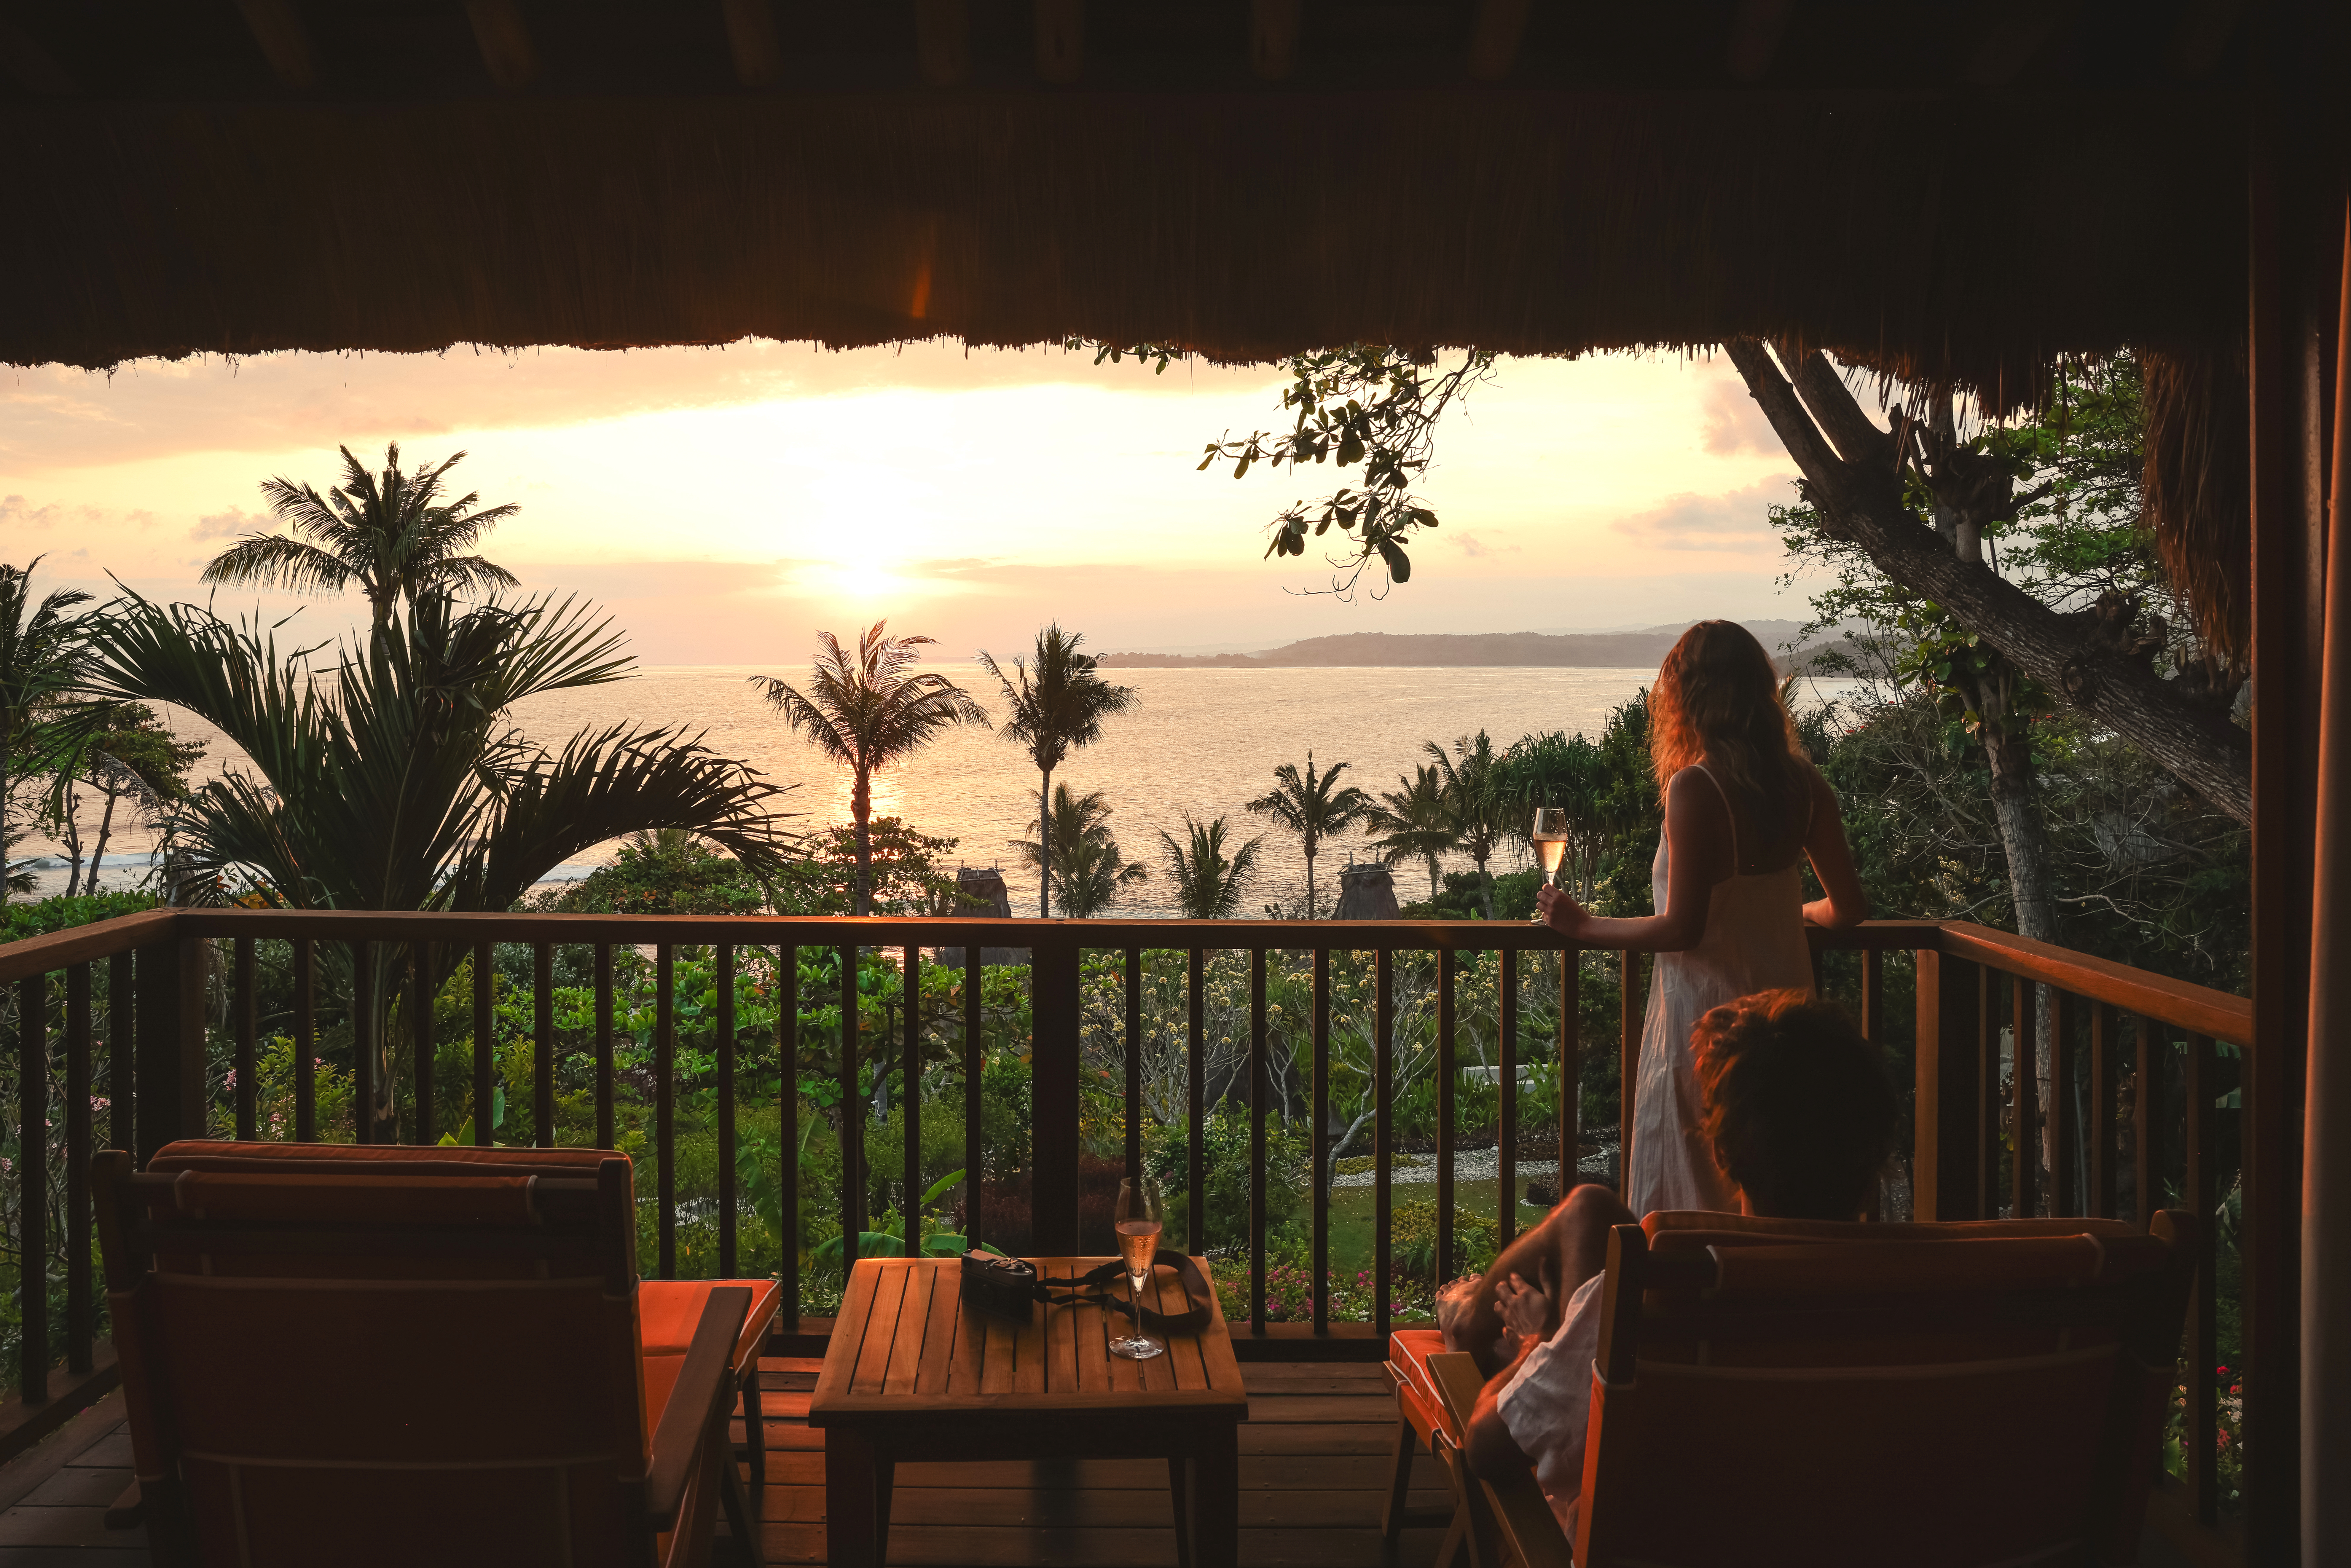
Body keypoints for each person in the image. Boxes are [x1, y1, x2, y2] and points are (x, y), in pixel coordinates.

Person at [1455, 989, 1897, 1529]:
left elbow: (1484, 1447)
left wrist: (1543, 1341)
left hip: (1652, 1539)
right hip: (1844, 1535)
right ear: (1873, 1158)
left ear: (1721, 1154)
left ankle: (1463, 1317)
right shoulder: (1918, 1295)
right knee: (1591, 1210)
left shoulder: (1646, 1297)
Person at [1536, 619, 1870, 1216]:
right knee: (1775, 1184)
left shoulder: (1697, 787)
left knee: (1693, 1185)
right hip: (1787, 1027)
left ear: (1690, 696)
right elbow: (1848, 909)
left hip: (1707, 1022)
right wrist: (1784, 912)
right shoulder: (1805, 785)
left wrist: (1582, 925)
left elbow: (1681, 928)